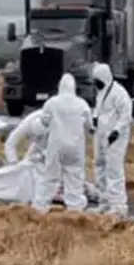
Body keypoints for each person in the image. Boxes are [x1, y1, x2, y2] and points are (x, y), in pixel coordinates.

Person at [32, 74, 93, 212]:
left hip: (56, 146)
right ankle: (75, 208)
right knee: (75, 178)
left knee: (49, 177)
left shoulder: (52, 103)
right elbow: (90, 126)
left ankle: (40, 207)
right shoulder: (82, 104)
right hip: (75, 147)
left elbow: (44, 121)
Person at [90, 63, 132, 214]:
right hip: (101, 134)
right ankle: (105, 201)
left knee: (114, 169)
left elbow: (126, 114)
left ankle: (118, 205)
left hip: (115, 138)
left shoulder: (119, 93)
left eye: (97, 80)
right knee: (99, 165)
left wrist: (117, 130)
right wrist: (94, 118)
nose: (95, 84)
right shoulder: (101, 92)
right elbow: (99, 109)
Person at [3, 109, 48, 204]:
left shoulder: (58, 123)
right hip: (35, 150)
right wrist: (14, 164)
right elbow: (10, 143)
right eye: (36, 136)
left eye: (40, 137)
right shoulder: (28, 123)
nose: (38, 138)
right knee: (27, 169)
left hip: (51, 149)